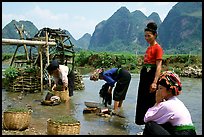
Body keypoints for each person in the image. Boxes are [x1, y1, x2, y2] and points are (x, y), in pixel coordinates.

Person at [143, 71, 197, 135]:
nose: (157, 91)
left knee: (150, 124)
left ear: (169, 91)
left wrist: (157, 103)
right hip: (190, 132)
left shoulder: (166, 105)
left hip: (182, 133)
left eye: (160, 88)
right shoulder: (177, 102)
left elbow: (147, 118)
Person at [135, 22, 163, 125]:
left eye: (149, 36)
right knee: (142, 99)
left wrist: (155, 82)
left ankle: (150, 125)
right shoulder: (148, 48)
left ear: (155, 35)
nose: (146, 38)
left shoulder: (158, 48)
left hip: (151, 76)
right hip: (145, 76)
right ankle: (143, 123)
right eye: (145, 36)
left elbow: (159, 65)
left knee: (150, 100)